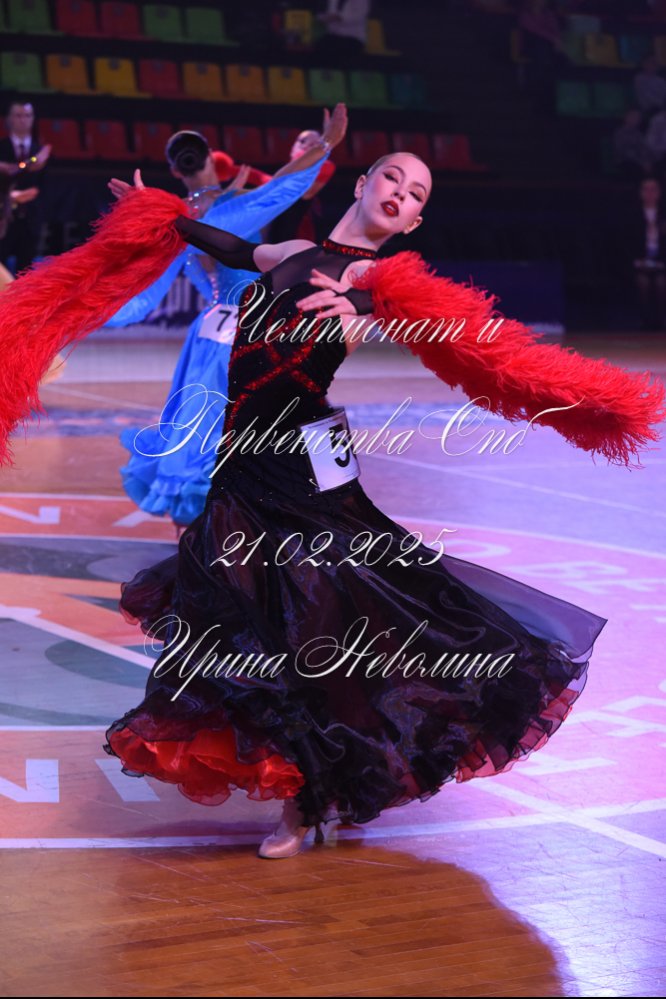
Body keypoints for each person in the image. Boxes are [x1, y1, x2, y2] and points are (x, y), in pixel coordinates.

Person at [0, 153, 663, 860]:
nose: (400, 193)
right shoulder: (290, 251)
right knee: (251, 617)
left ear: (414, 221)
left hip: (301, 462)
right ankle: (326, 781)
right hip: (242, 457)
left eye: (416, 192)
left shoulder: (381, 283)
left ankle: (307, 799)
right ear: (362, 183)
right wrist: (161, 214)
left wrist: (368, 306)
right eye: (392, 178)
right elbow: (233, 249)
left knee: (311, 620)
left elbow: (433, 322)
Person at [104, 109, 346, 530]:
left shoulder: (176, 220)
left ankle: (197, 537)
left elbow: (141, 297)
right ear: (211, 158)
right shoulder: (236, 206)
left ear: (175, 170)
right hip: (251, 329)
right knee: (258, 424)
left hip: (208, 333)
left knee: (195, 431)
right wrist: (326, 144)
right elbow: (284, 185)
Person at [0, 101, 51, 274]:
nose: (23, 120)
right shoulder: (2, 147)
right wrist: (10, 195)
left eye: (27, 115)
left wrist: (32, 194)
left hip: (31, 218)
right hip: (4, 216)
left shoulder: (40, 151)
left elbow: (44, 185)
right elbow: (11, 170)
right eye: (18, 115)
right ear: (9, 119)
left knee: (26, 269)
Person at [264, 123, 337, 244]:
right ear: (292, 147)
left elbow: (305, 192)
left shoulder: (323, 170)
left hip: (296, 243)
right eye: (302, 141)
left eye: (314, 145)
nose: (306, 146)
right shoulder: (277, 175)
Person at [631, 175, 666, 329]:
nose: (650, 193)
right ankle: (645, 322)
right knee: (643, 283)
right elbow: (627, 242)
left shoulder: (663, 214)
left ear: (659, 192)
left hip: (661, 262)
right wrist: (637, 260)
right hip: (640, 261)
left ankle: (661, 321)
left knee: (661, 283)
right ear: (640, 193)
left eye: (653, 189)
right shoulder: (633, 214)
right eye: (646, 189)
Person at [612, 108, 653, 181]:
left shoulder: (639, 134)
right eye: (633, 116)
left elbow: (644, 149)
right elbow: (623, 152)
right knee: (636, 170)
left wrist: (647, 161)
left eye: (638, 118)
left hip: (640, 161)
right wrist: (641, 162)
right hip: (625, 161)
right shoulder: (619, 133)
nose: (635, 119)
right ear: (626, 117)